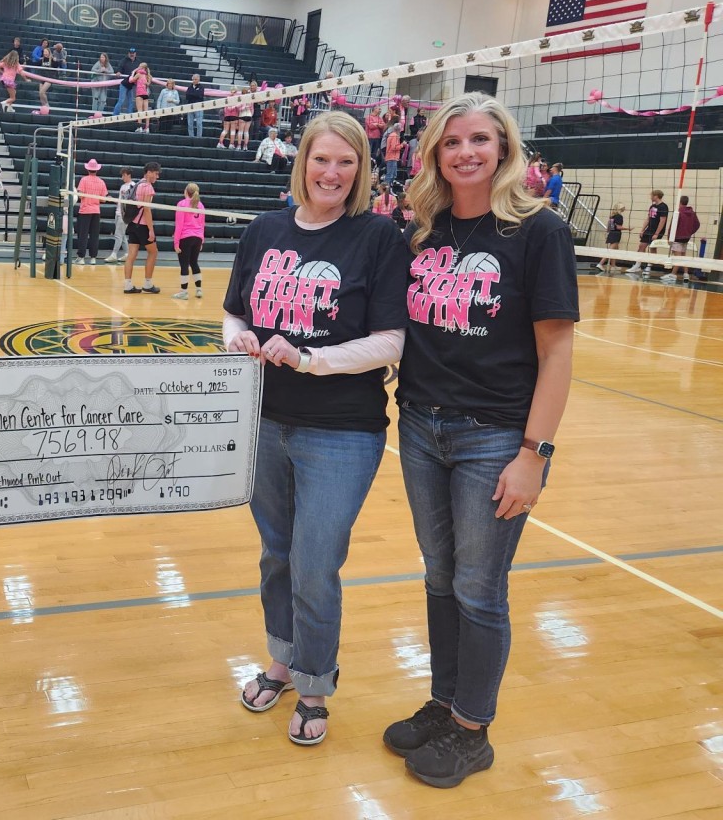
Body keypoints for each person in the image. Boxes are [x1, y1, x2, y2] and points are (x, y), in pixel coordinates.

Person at [385, 93, 577, 789]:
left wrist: (535, 454)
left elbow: (556, 354)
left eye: (481, 140)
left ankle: (473, 730)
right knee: (440, 576)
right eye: (453, 141)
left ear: (504, 149)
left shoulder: (537, 230)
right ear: (436, 151)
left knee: (478, 586)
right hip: (419, 426)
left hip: (493, 437)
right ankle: (445, 702)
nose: (467, 152)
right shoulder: (424, 230)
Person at [225, 110, 409, 748]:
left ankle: (314, 686)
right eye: (321, 159)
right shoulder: (265, 230)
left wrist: (310, 360)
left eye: (346, 162)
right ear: (301, 161)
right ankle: (282, 658)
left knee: (314, 562)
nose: (331, 172)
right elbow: (232, 315)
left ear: (360, 170)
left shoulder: (378, 237)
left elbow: (391, 340)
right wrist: (241, 340)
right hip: (264, 422)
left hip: (341, 430)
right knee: (277, 554)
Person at [123, 162, 161, 294]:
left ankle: (127, 285)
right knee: (153, 252)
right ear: (149, 172)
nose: (157, 177)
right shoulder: (147, 186)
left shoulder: (137, 184)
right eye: (156, 174)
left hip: (132, 224)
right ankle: (148, 284)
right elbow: (146, 209)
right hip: (143, 225)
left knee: (131, 255)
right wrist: (151, 230)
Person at [172, 183, 205, 300]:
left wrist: (176, 243)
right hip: (197, 238)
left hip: (185, 237)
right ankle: (199, 290)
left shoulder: (182, 204)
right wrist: (202, 240)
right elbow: (202, 225)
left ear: (186, 191)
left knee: (184, 264)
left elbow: (179, 225)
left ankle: (184, 292)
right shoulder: (200, 205)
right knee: (194, 263)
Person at [626, 189, 668, 277]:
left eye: (651, 195)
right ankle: (637, 265)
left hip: (657, 231)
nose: (650, 197)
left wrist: (656, 233)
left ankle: (649, 267)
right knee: (641, 246)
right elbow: (648, 219)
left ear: (656, 196)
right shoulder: (652, 206)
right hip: (649, 230)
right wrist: (642, 230)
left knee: (652, 248)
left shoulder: (663, 207)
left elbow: (662, 221)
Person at [75, 158, 107, 264]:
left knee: (83, 234)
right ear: (97, 170)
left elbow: (80, 196)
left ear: (87, 169)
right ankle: (93, 257)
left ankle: (81, 257)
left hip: (85, 211)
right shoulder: (101, 182)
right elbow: (103, 199)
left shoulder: (83, 180)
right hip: (96, 211)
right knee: (94, 235)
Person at [664, 195, 702, 284]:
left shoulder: (678, 212)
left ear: (679, 202)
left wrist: (669, 237)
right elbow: (697, 224)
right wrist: (689, 232)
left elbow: (672, 226)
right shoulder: (692, 212)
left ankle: (673, 275)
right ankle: (686, 273)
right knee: (683, 256)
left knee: (678, 257)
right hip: (686, 238)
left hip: (677, 237)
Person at [104, 167, 135, 264]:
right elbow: (121, 201)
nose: (122, 177)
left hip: (124, 214)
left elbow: (130, 202)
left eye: (124, 175)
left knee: (118, 234)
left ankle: (114, 254)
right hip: (118, 212)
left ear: (129, 175)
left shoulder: (133, 186)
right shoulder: (123, 186)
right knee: (122, 235)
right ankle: (127, 254)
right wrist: (113, 200)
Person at [597, 203, 625, 273]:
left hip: (611, 233)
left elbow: (609, 227)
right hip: (616, 234)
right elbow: (618, 227)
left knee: (615, 250)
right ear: (620, 208)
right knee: (610, 250)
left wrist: (608, 233)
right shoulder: (619, 216)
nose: (624, 208)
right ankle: (600, 264)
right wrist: (628, 229)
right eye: (623, 207)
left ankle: (613, 265)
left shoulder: (612, 216)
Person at [113, 47, 138, 117]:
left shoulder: (138, 62)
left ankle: (129, 116)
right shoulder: (124, 60)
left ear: (135, 54)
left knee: (131, 101)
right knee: (121, 100)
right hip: (124, 83)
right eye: (130, 53)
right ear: (128, 53)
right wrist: (118, 72)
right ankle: (114, 115)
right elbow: (120, 67)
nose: (132, 55)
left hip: (131, 85)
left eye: (133, 53)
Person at [131, 63, 153, 133]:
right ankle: (147, 128)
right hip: (145, 94)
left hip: (139, 94)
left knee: (139, 111)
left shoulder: (138, 74)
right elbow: (148, 84)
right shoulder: (148, 76)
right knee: (146, 111)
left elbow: (131, 80)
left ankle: (139, 127)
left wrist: (133, 73)